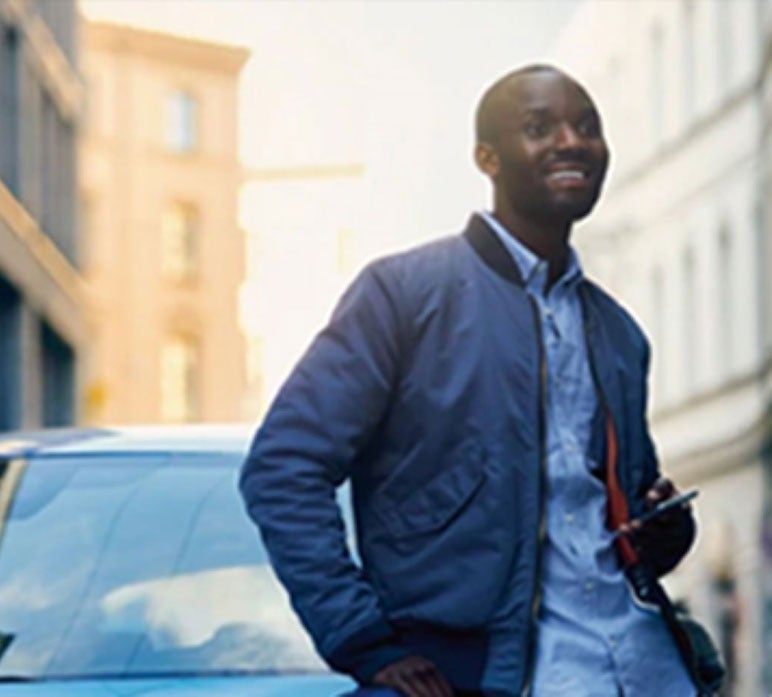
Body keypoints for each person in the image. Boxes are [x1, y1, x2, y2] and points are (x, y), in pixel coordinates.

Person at [239, 65, 698, 697]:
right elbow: (282, 467)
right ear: (487, 158)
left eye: (588, 127)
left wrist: (666, 534)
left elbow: (616, 518)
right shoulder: (402, 294)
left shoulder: (618, 333)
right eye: (539, 128)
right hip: (491, 676)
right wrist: (364, 642)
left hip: (646, 672)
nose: (571, 142)